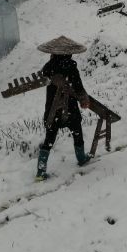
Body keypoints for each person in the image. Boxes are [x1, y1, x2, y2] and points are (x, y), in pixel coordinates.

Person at [35, 36, 92, 181]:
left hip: (53, 110)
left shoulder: (48, 67)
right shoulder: (71, 66)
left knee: (49, 138)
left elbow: (44, 77)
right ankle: (81, 158)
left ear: (53, 53)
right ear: (69, 53)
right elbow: (78, 86)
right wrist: (83, 98)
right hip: (70, 108)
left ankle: (40, 172)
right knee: (77, 132)